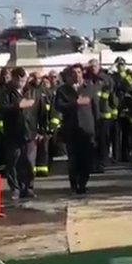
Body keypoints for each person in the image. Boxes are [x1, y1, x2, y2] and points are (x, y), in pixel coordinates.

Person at [54, 65, 100, 195]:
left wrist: (97, 128)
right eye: (74, 73)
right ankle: (74, 184)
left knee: (86, 159)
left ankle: (83, 184)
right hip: (71, 129)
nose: (77, 75)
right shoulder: (63, 90)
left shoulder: (89, 88)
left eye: (79, 72)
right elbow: (58, 106)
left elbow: (95, 108)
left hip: (87, 129)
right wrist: (75, 103)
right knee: (73, 159)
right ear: (69, 75)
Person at [0, 68, 39, 200]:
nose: (21, 82)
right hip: (13, 133)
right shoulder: (6, 94)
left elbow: (41, 110)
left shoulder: (32, 92)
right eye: (19, 79)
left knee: (29, 162)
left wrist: (42, 129)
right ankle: (15, 188)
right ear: (13, 79)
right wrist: (17, 107)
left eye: (24, 79)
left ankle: (28, 187)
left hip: (29, 133)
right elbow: (0, 111)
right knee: (13, 162)